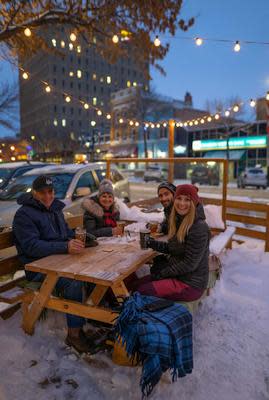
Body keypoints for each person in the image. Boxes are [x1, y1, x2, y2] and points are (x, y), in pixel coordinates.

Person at [13, 175, 94, 353]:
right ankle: (74, 334)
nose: (48, 196)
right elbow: (31, 246)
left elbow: (64, 232)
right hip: (37, 269)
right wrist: (65, 246)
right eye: (42, 193)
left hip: (59, 262)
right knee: (73, 280)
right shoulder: (24, 215)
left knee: (93, 269)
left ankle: (91, 319)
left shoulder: (55, 209)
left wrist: (80, 239)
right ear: (34, 193)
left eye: (50, 192)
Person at [135, 184, 210, 302]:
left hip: (190, 284)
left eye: (187, 200)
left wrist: (163, 273)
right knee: (136, 285)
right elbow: (174, 248)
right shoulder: (179, 220)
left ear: (194, 202)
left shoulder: (198, 227)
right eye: (179, 198)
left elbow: (190, 264)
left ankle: (145, 317)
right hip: (179, 276)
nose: (182, 203)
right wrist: (152, 243)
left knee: (143, 291)